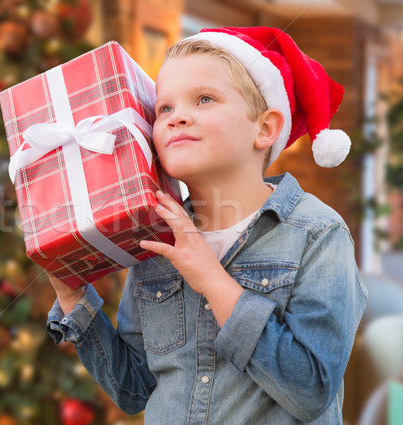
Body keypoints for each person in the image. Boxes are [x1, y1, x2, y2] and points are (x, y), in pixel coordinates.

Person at [46, 27, 368, 424]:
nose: (178, 116)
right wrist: (75, 301)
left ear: (264, 129)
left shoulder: (317, 234)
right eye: (164, 109)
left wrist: (213, 280)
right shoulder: (156, 238)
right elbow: (134, 390)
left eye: (204, 99)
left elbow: (311, 390)